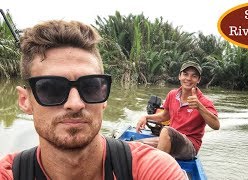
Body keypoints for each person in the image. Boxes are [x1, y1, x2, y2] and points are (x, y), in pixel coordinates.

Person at [0, 20, 186, 179]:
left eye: (91, 87)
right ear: (25, 100)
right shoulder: (8, 174)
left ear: (104, 97)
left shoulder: (151, 170)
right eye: (51, 88)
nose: (75, 104)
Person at [136, 61, 220, 160]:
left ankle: (157, 169)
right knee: (136, 146)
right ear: (179, 76)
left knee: (166, 131)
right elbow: (164, 116)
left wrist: (199, 107)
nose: (188, 78)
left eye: (194, 76)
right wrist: (146, 117)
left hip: (190, 146)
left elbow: (216, 125)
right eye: (185, 74)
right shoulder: (172, 94)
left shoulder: (203, 102)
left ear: (198, 80)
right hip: (171, 139)